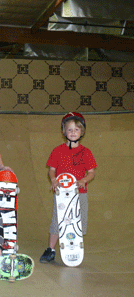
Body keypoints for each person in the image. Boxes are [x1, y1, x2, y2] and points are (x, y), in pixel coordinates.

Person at [40, 112, 97, 263]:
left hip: (80, 193)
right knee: (58, 220)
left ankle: (75, 248)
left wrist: (84, 180)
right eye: (69, 129)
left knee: (78, 221)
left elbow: (91, 172)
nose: (73, 132)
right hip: (62, 194)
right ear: (64, 131)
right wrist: (53, 179)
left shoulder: (86, 152)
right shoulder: (58, 150)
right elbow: (51, 169)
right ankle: (51, 249)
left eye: (76, 129)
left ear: (82, 132)